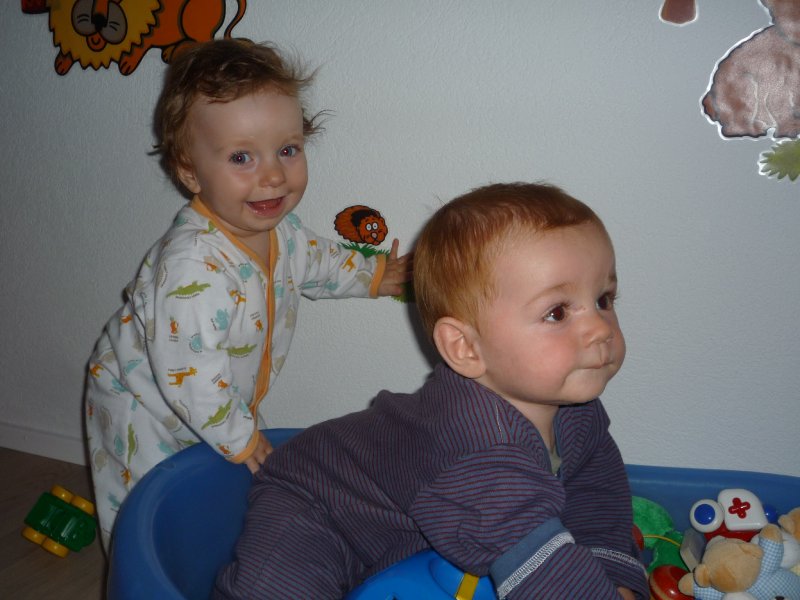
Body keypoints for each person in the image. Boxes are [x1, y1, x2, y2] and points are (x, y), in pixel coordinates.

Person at [215, 182, 648, 599]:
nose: (599, 328)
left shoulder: (577, 411)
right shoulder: (476, 442)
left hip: (402, 537)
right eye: (557, 313)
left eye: (604, 299)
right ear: (465, 348)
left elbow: (595, 493)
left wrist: (612, 573)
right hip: (317, 507)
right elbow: (538, 561)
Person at [84, 38, 412, 550]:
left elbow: (319, 261)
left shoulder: (283, 232)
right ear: (189, 171)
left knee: (222, 484)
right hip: (142, 403)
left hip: (213, 397)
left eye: (288, 150)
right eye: (242, 157)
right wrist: (240, 437)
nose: (274, 175)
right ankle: (145, 566)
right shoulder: (192, 267)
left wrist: (377, 275)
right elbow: (191, 373)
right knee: (143, 509)